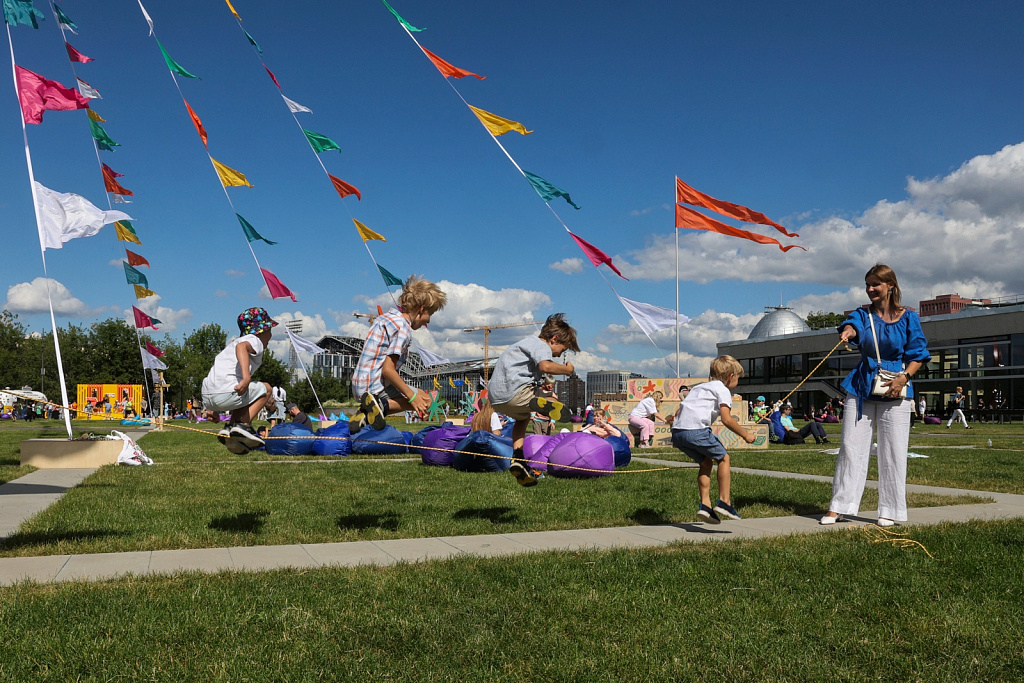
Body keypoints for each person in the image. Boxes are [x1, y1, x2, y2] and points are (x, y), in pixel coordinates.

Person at [821, 264, 930, 527]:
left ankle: (890, 510)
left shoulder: (909, 318)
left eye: (875, 284)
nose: (870, 289)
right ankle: (839, 506)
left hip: (896, 387)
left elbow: (918, 355)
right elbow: (852, 326)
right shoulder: (863, 314)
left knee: (894, 450)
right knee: (850, 447)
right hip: (861, 386)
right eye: (867, 285)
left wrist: (903, 378)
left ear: (890, 285)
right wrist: (848, 332)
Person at [489, 313, 579, 487]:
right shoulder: (541, 345)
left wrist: (539, 384)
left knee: (523, 418)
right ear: (554, 339)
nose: (559, 355)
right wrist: (568, 370)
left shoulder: (523, 345)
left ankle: (518, 457)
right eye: (563, 349)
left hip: (497, 399)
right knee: (536, 400)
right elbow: (546, 366)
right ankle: (539, 403)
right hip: (516, 393)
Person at [349, 276, 448, 431]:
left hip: (360, 383)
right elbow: (388, 370)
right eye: (430, 314)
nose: (428, 321)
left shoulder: (387, 318)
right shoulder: (403, 329)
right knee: (425, 401)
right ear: (421, 309)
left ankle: (367, 412)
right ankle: (379, 406)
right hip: (374, 386)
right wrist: (412, 398)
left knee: (423, 396)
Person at [671, 355, 756, 524]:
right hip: (697, 431)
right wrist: (746, 435)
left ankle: (705, 506)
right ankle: (725, 502)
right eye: (738, 378)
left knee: (705, 463)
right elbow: (727, 419)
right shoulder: (722, 390)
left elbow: (680, 411)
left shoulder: (699, 388)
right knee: (724, 458)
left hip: (678, 432)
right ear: (731, 376)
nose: (737, 382)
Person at [200, 307, 279, 453]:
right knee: (266, 388)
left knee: (244, 393)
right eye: (270, 330)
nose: (271, 335)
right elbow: (242, 347)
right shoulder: (254, 340)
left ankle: (230, 428)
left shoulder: (230, 346)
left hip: (208, 396)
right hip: (226, 393)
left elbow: (218, 376)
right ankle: (243, 425)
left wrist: (210, 408)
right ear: (262, 331)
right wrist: (246, 378)